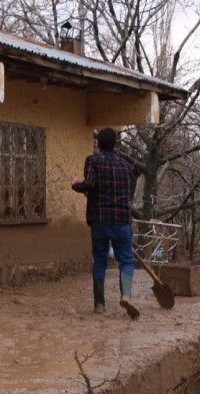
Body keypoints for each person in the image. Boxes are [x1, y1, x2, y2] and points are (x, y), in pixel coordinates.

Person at [71, 128, 139, 319]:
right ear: (115, 144)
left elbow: (90, 185)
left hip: (100, 220)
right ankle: (126, 295)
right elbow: (128, 195)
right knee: (125, 260)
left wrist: (76, 183)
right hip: (122, 221)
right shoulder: (126, 166)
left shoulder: (93, 160)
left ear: (98, 143)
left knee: (100, 260)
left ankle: (99, 305)